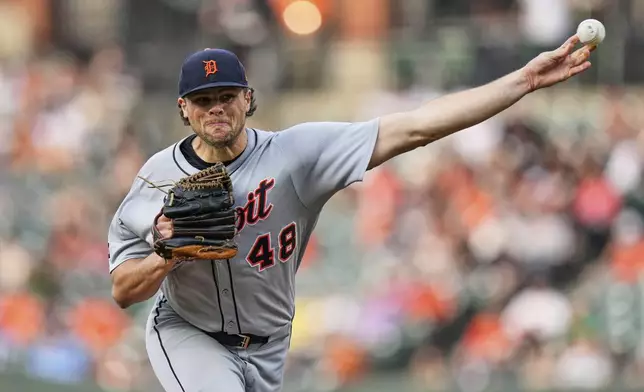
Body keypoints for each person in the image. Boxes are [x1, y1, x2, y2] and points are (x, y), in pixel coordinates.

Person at [107, 35, 593, 392]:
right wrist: (166, 258)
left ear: (248, 99)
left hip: (271, 342)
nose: (217, 109)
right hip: (189, 331)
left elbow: (415, 128)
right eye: (203, 100)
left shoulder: (296, 155)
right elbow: (124, 289)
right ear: (183, 109)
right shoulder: (157, 179)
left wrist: (523, 80)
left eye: (227, 96)